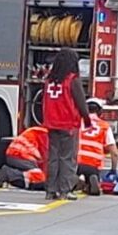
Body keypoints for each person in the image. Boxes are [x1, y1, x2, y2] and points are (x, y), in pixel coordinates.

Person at [42, 48, 93, 200]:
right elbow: (81, 103)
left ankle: (50, 190)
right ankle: (65, 190)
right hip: (68, 124)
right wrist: (87, 119)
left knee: (53, 157)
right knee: (68, 158)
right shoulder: (72, 80)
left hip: (52, 123)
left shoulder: (49, 80)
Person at [77, 98, 118, 196]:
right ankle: (91, 181)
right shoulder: (104, 126)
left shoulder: (77, 122)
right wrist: (113, 170)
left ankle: (77, 181)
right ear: (100, 112)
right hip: (94, 165)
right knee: (92, 175)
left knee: (70, 176)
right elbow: (114, 153)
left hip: (76, 163)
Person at [0, 125, 48, 191]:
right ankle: (9, 173)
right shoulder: (44, 134)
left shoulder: (38, 131)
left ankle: (10, 174)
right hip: (21, 155)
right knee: (38, 177)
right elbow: (45, 158)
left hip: (15, 154)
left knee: (37, 176)